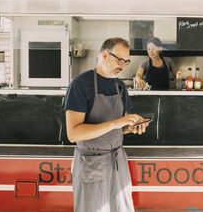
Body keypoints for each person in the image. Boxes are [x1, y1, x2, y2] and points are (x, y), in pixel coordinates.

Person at [64, 37, 149, 212]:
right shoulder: (80, 84)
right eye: (119, 60)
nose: (123, 66)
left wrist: (130, 127)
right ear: (104, 54)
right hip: (91, 163)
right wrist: (116, 123)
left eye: (126, 61)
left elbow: (120, 127)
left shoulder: (120, 87)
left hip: (118, 162)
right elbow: (74, 134)